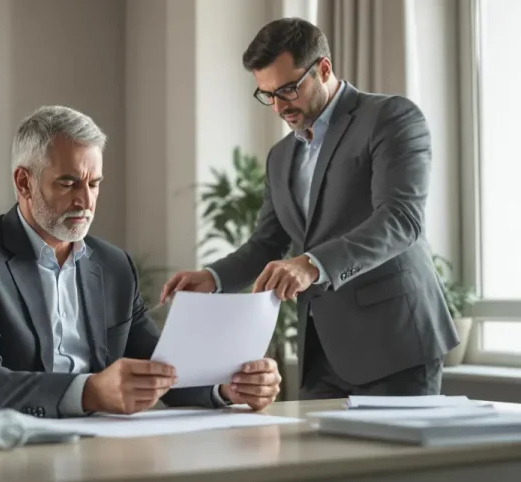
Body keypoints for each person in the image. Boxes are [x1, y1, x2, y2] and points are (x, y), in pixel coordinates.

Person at [161, 18, 458, 400]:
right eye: (266, 94)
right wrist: (213, 278)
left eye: (287, 90)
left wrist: (311, 264)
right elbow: (268, 244)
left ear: (323, 69)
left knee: (390, 462)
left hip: (394, 346)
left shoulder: (390, 118)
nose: (278, 107)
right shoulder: (280, 157)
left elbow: (400, 219)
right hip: (320, 356)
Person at [0, 105, 282, 417]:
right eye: (68, 183)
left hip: (99, 444)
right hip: (10, 448)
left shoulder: (114, 266)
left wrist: (225, 389)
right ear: (24, 182)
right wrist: (89, 392)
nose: (85, 200)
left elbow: (158, 368)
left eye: (94, 184)